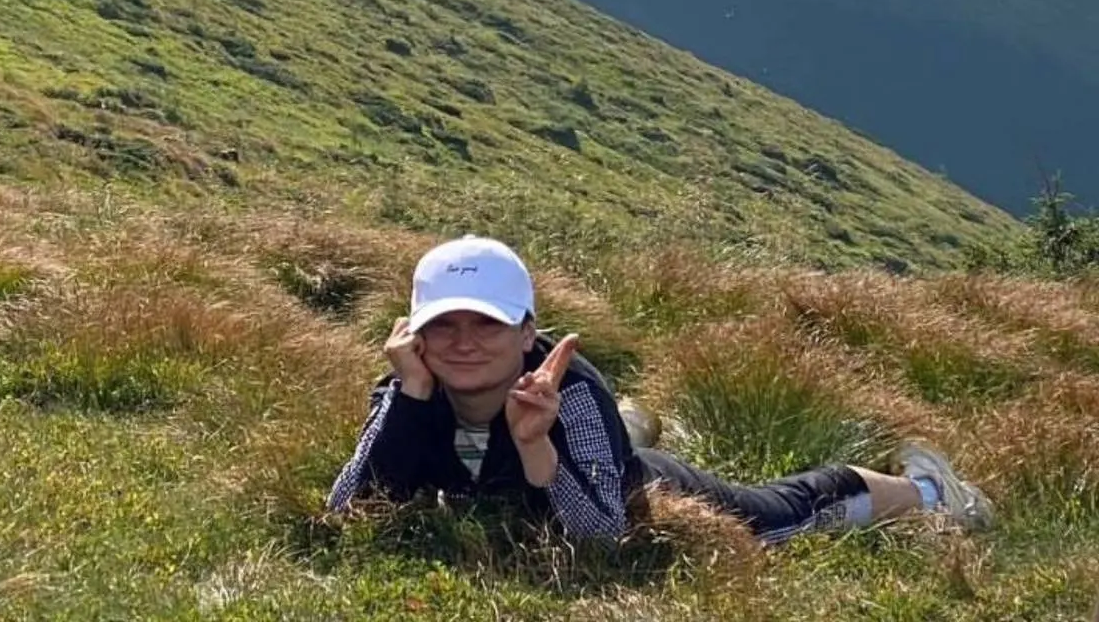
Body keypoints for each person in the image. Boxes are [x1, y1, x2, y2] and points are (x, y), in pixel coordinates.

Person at [328, 236, 994, 544]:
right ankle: (628, 425)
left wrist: (537, 449)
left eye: (487, 324)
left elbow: (600, 534)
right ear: (414, 334)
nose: (463, 343)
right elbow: (347, 510)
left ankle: (931, 490)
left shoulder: (571, 395)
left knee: (770, 516)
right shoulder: (408, 389)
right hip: (585, 451)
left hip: (631, 481)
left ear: (528, 331)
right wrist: (409, 397)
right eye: (443, 325)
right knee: (602, 441)